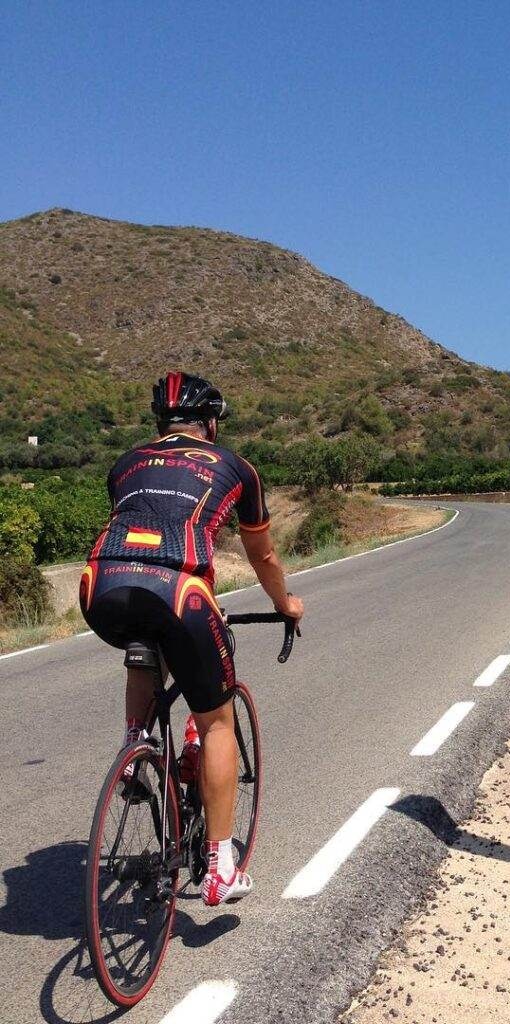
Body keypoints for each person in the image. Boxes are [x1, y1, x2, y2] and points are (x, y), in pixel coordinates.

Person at [79, 372, 304, 907]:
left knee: (146, 643)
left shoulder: (125, 463)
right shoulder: (236, 469)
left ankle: (136, 748)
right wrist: (285, 605)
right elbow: (263, 556)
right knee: (217, 720)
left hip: (99, 587)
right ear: (210, 422)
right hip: (180, 592)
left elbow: (145, 527)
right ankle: (221, 868)